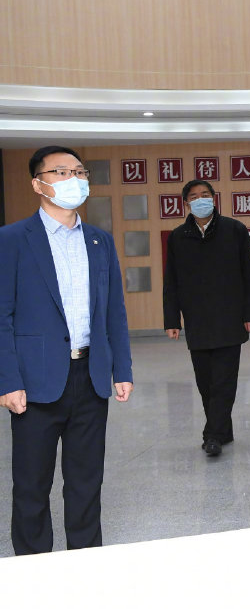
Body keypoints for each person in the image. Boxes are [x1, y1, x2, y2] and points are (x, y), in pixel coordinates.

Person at [0, 146, 134, 555]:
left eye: (79, 171)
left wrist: (122, 369)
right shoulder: (11, 240)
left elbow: (113, 311)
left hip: (90, 376)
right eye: (60, 172)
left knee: (86, 483)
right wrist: (8, 381)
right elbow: (2, 316)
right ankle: (33, 567)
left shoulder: (99, 240)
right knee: (31, 485)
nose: (73, 179)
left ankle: (85, 564)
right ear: (37, 184)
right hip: (35, 381)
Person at [164, 179, 250, 457]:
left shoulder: (234, 230)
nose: (200, 199)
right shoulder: (178, 237)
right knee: (205, 382)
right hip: (197, 320)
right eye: (194, 196)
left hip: (229, 318)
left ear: (214, 198)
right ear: (186, 203)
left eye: (205, 194)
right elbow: (171, 280)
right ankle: (223, 430)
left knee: (224, 381)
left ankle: (212, 436)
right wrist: (172, 319)